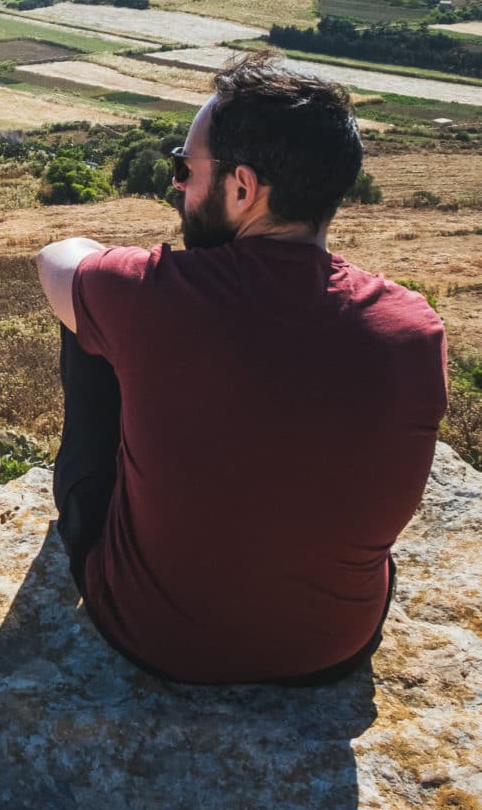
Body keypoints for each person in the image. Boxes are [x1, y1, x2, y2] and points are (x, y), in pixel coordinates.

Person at [35, 53, 447, 686]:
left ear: (243, 188)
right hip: (335, 647)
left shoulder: (150, 295)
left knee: (84, 323)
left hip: (153, 637)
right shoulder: (415, 328)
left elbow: (55, 258)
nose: (176, 184)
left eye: (185, 168)